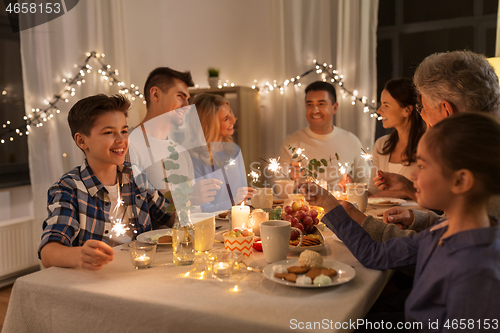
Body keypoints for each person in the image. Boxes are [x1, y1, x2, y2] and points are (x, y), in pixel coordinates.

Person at [300, 112, 500, 329]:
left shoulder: (478, 273)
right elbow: (374, 255)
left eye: (422, 166)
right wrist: (328, 202)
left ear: (460, 180)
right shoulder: (444, 231)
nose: (412, 176)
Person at [343, 50, 500, 241]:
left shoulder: (482, 163)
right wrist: (417, 219)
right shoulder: (477, 147)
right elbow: (454, 225)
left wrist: (360, 223)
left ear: (446, 110)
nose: (422, 116)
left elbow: (440, 253)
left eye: (422, 107)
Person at [39, 94, 173, 270]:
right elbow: (48, 252)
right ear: (81, 140)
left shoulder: (135, 176)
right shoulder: (69, 189)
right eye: (109, 132)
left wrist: (194, 202)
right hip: (95, 282)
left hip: (138, 273)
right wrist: (80, 255)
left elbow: (169, 216)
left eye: (124, 131)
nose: (121, 140)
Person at [128, 67, 222, 218]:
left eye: (188, 99)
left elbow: (190, 216)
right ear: (155, 94)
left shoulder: (182, 152)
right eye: (180, 96)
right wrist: (189, 198)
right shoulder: (127, 145)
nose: (187, 105)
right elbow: (131, 211)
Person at [280, 81, 370, 191]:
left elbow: (366, 180)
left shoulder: (351, 141)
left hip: (340, 204)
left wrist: (351, 187)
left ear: (335, 107)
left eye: (321, 104)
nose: (315, 110)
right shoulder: (292, 141)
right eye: (309, 105)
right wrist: (291, 179)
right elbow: (279, 186)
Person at [187, 93, 253, 212]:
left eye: (231, 114)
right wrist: (233, 202)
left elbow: (243, 195)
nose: (234, 120)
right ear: (210, 124)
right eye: (226, 118)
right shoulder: (194, 158)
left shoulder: (234, 150)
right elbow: (203, 209)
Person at [368, 78, 425, 198]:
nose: (379, 110)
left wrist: (405, 189)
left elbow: (431, 196)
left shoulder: (426, 145)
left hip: (416, 215)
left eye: (386, 105)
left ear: (407, 110)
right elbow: (373, 191)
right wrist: (353, 189)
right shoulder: (382, 145)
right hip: (382, 215)